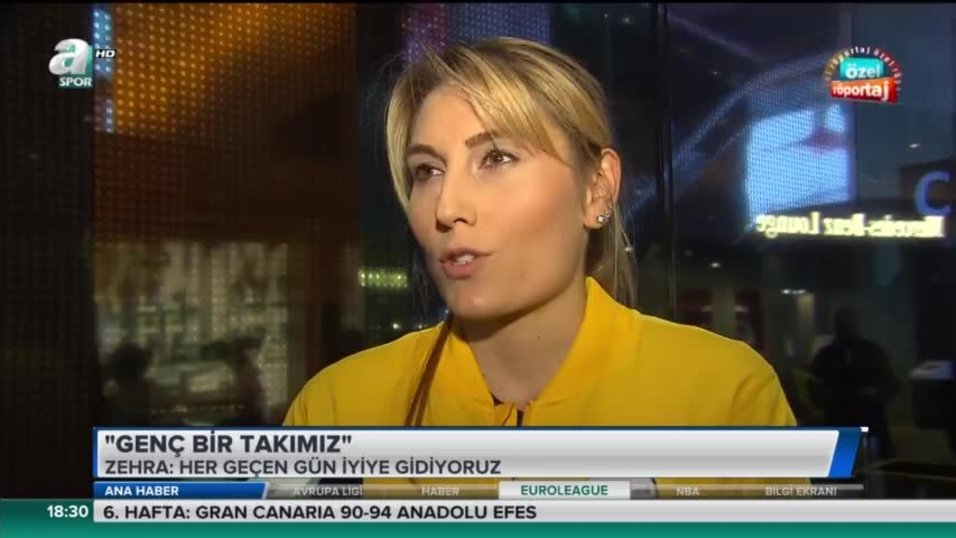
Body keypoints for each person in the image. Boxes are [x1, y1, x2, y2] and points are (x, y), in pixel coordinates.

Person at [285, 37, 798, 492]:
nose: (447, 207)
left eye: (497, 158)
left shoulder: (723, 397)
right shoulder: (337, 409)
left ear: (596, 189)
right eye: (427, 171)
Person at [811, 307, 899, 460]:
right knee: (843, 466)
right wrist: (830, 397)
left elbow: (891, 384)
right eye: (843, 325)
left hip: (870, 419)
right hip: (839, 419)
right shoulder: (825, 355)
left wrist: (875, 393)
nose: (847, 329)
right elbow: (815, 388)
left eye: (850, 324)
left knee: (875, 464)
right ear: (837, 327)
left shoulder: (873, 352)